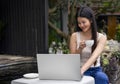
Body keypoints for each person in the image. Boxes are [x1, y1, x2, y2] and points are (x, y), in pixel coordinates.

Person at [70, 6, 109, 84]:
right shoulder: (74, 36)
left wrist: (82, 70)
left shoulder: (101, 37)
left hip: (95, 70)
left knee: (102, 78)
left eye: (83, 22)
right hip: (78, 69)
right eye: (79, 23)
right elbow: (72, 58)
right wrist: (80, 49)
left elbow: (94, 56)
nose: (81, 25)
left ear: (91, 20)